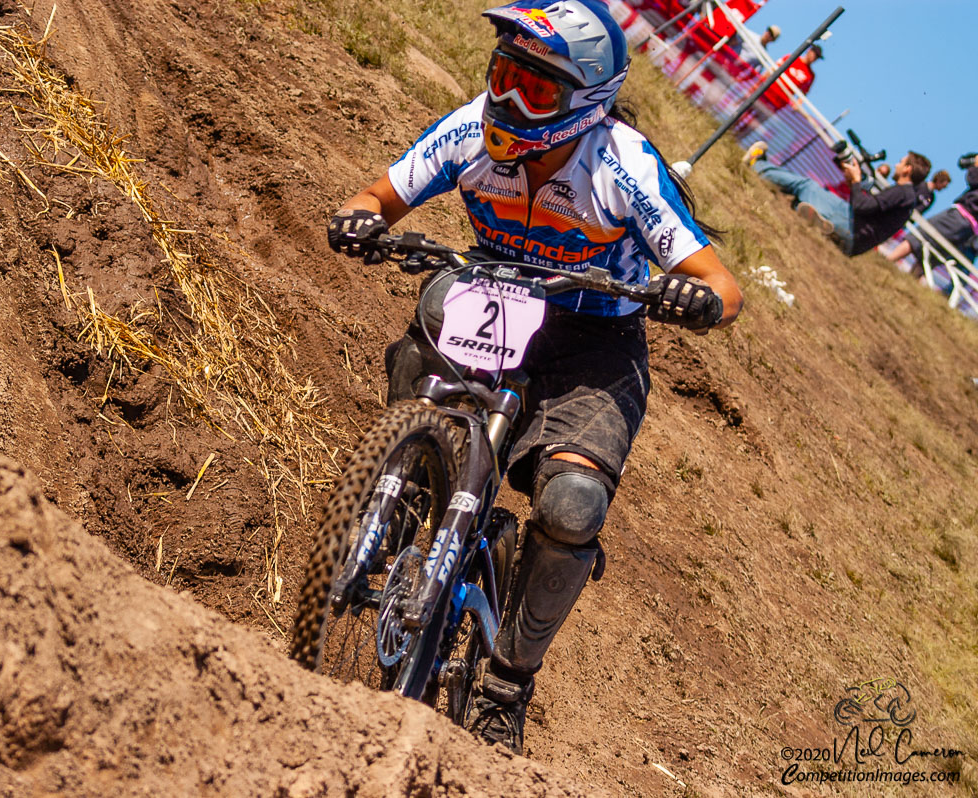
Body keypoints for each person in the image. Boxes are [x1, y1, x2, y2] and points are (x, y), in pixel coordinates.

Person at [326, 0, 743, 755]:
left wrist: (696, 296)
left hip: (594, 338)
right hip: (495, 292)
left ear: (585, 103)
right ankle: (409, 480)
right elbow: (379, 195)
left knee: (574, 504)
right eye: (503, 76)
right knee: (424, 333)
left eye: (536, 90)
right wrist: (360, 217)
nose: (510, 100)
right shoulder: (468, 129)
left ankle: (505, 687)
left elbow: (723, 283)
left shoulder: (622, 163)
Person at [743, 141, 930, 256]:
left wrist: (856, 181)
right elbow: (869, 211)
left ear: (908, 169)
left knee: (806, 186)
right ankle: (818, 219)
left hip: (852, 227)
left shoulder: (902, 192)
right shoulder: (907, 198)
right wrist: (852, 184)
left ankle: (757, 165)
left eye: (901, 162)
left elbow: (861, 207)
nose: (897, 164)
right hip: (856, 243)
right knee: (805, 195)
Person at [886, 163, 978, 271]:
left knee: (920, 236)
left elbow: (973, 179)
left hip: (961, 216)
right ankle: (908, 276)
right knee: (935, 254)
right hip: (970, 230)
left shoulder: (931, 197)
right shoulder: (923, 187)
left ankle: (888, 260)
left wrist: (975, 165)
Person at [759, 43, 821, 112]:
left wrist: (798, 104)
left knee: (756, 121)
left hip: (778, 102)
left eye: (817, 57)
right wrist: (759, 81)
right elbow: (773, 69)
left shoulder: (811, 76)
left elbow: (803, 93)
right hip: (766, 91)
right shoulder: (792, 58)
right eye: (814, 55)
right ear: (809, 51)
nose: (814, 58)